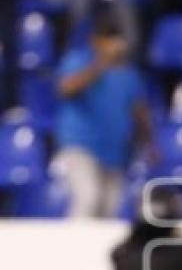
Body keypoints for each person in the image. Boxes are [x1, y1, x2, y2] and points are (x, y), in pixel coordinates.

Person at [54, 14, 152, 218]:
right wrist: (100, 65)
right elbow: (65, 88)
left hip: (115, 152)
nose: (113, 43)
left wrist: (149, 143)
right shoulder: (78, 59)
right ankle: (70, 248)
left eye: (116, 38)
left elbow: (138, 109)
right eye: (107, 38)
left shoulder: (128, 72)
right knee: (88, 199)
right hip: (80, 145)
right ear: (95, 40)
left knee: (110, 210)